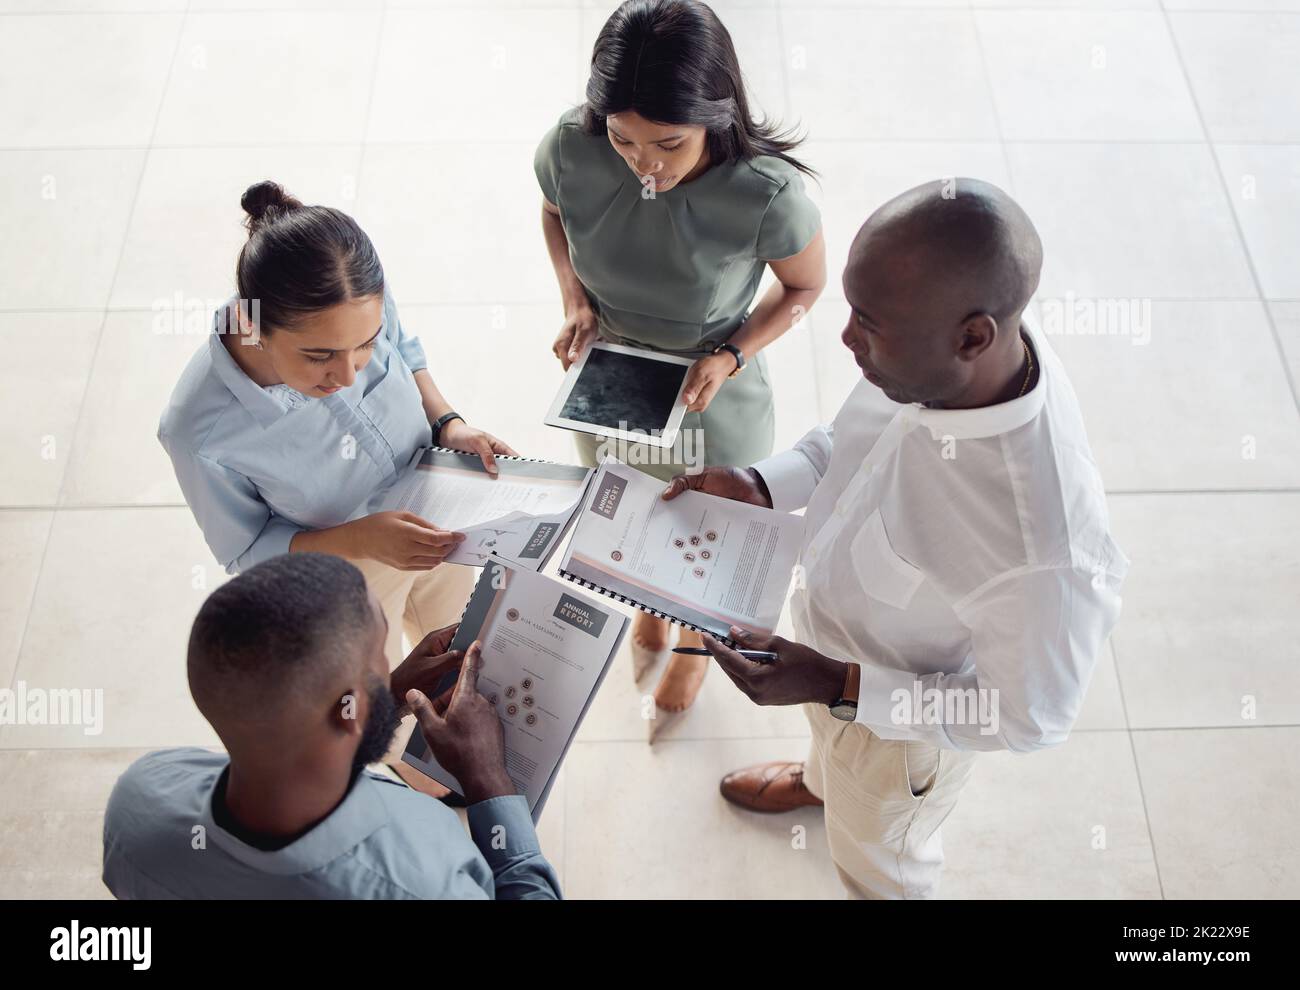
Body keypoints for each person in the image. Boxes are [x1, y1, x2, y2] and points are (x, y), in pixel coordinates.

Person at [666, 178, 1130, 898]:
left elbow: (1028, 717)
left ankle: (853, 816)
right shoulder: (926, 355)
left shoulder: (1042, 546)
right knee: (833, 753)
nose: (847, 337)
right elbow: (844, 447)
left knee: (880, 864)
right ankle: (821, 782)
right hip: (827, 667)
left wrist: (839, 684)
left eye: (868, 324)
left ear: (973, 335)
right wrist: (761, 485)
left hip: (899, 737)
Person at [535, 0, 827, 717]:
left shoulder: (769, 196)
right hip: (612, 376)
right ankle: (650, 607)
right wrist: (574, 299)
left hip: (709, 385)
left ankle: (694, 642)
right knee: (623, 508)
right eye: (623, 141)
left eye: (668, 144)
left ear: (716, 115)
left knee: (704, 521)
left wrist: (733, 353)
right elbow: (552, 212)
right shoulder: (570, 148)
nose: (644, 166)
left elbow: (805, 285)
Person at [159, 180, 516, 686]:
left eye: (363, 347)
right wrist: (359, 538)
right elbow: (246, 552)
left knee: (468, 660)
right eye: (319, 356)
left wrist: (447, 422)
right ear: (252, 324)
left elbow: (405, 351)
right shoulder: (200, 432)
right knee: (382, 706)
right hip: (348, 579)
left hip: (437, 512)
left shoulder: (354, 296)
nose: (349, 375)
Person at [102, 552, 561, 899]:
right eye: (382, 654)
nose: (389, 665)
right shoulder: (423, 882)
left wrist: (388, 695)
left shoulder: (140, 799)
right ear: (350, 711)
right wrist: (487, 782)